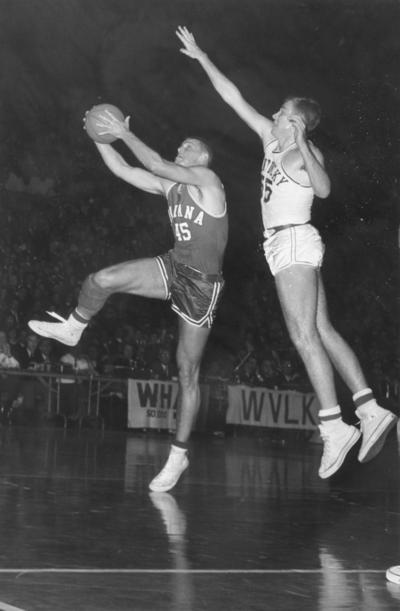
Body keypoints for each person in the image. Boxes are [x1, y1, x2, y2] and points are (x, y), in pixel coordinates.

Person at [176, 26, 397, 479]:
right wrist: (201, 55)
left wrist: (301, 143)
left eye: (282, 112)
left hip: (294, 239)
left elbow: (325, 188)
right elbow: (233, 97)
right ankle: (371, 408)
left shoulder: (301, 152)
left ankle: (335, 427)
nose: (273, 113)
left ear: (296, 122)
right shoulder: (268, 139)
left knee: (303, 336)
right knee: (323, 330)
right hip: (288, 243)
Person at [29, 109, 228, 492]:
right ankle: (74, 327)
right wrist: (100, 138)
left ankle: (178, 454)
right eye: (182, 143)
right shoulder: (170, 187)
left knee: (187, 371)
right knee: (101, 279)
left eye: (190, 145)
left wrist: (122, 131)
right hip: (173, 267)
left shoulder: (209, 180)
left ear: (202, 158)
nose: (181, 147)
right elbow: (123, 169)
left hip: (202, 284)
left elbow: (153, 161)